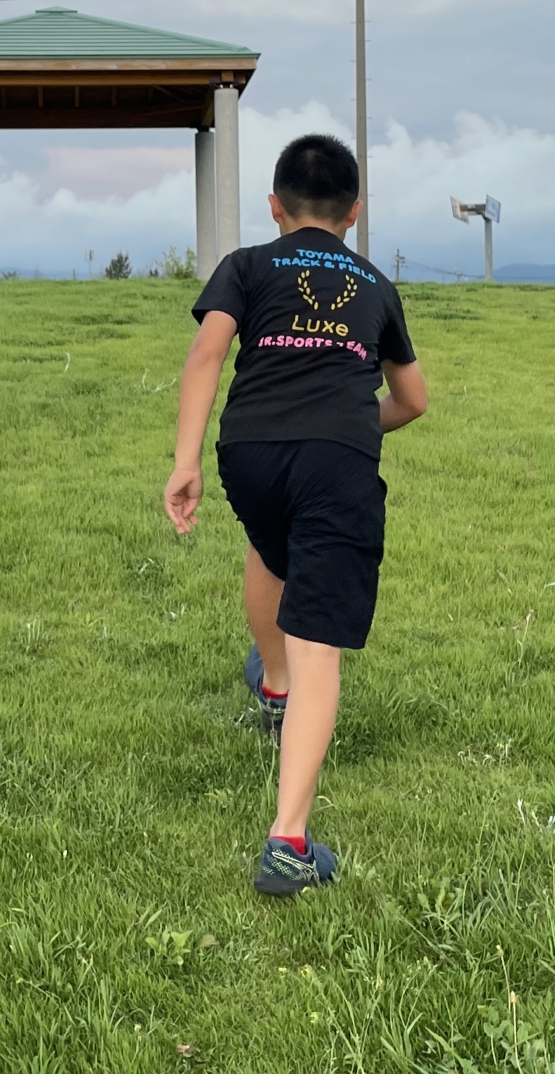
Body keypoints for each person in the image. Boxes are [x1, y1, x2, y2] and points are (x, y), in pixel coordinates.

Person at [165, 133, 428, 895]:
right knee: (322, 647)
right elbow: (413, 400)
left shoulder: (247, 264)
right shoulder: (374, 283)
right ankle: (288, 843)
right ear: (355, 213)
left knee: (270, 549)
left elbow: (207, 356)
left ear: (274, 206)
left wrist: (185, 464)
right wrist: (345, 424)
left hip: (247, 451)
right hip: (336, 464)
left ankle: (273, 686)